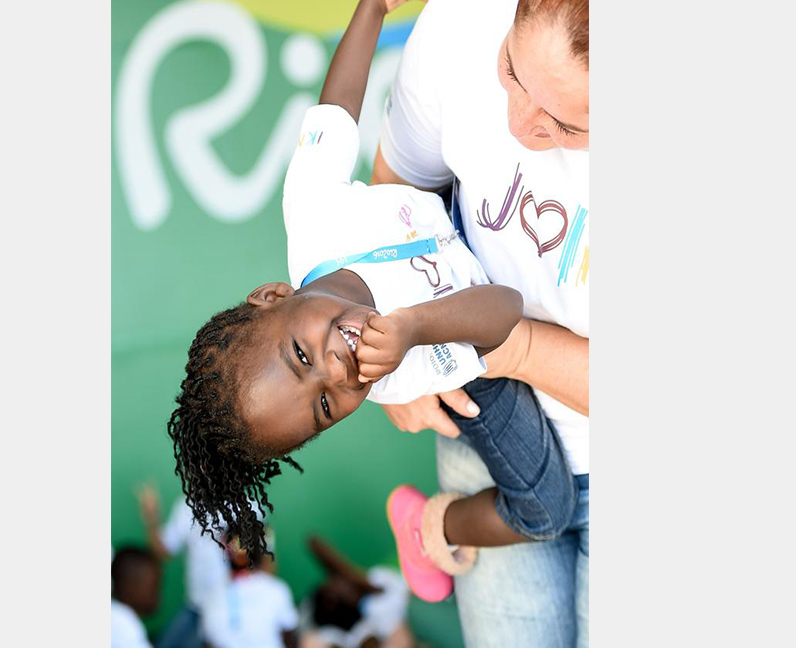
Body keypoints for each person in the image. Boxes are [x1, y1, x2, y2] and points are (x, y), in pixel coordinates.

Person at [166, 0, 578, 599]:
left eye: (302, 358)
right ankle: (426, 529)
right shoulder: (399, 372)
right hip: (476, 350)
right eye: (327, 407)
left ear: (272, 295)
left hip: (456, 229)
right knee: (547, 508)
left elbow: (336, 110)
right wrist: (415, 330)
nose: (338, 371)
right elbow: (503, 309)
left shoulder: (313, 214)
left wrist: (373, 10)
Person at [370, 0, 589, 648]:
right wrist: (396, 371)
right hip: (486, 429)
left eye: (567, 125)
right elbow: (394, 197)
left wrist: (509, 342)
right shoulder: (462, 20)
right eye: (511, 71)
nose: (521, 125)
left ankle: (434, 529)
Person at [137, 487, 231, 648]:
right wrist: (152, 518)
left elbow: (266, 561)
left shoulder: (250, 505)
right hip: (196, 607)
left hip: (233, 609)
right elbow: (163, 551)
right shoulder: (187, 506)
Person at [299, 535, 415, 648]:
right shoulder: (315, 612)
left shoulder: (377, 596)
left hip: (371, 628)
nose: (338, 585)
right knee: (310, 644)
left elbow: (403, 641)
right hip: (333, 632)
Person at [111, 546, 224, 648]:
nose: (159, 595)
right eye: (154, 587)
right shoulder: (122, 621)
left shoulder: (117, 616)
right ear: (131, 588)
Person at [201, 531, 300, 648]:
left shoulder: (211, 597)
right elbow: (291, 645)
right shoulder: (276, 590)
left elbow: (210, 646)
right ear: (261, 553)